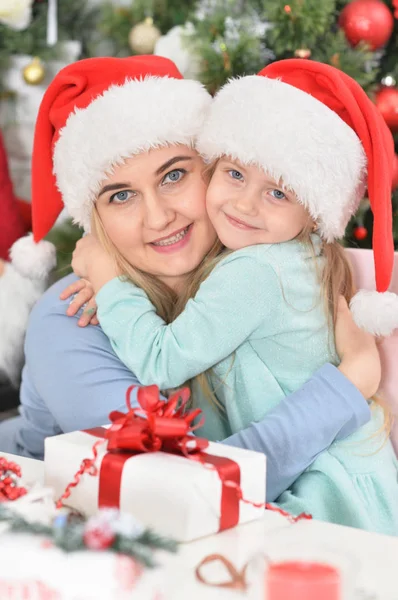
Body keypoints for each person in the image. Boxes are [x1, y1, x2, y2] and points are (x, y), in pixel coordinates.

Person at [0, 56, 379, 509]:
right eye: (121, 196)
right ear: (94, 217)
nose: (159, 217)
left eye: (174, 175)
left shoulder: (259, 275)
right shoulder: (73, 317)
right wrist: (347, 388)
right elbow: (171, 488)